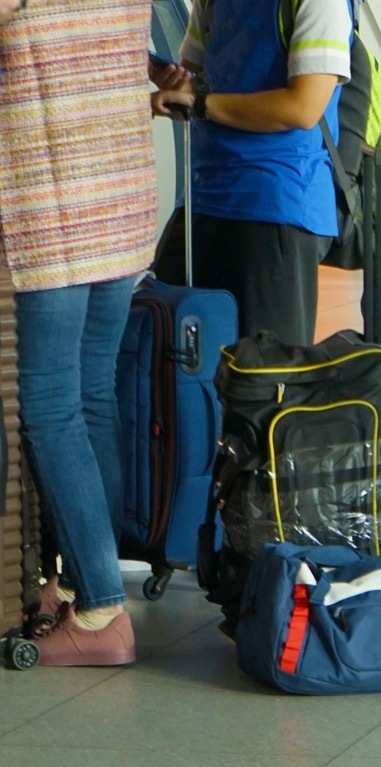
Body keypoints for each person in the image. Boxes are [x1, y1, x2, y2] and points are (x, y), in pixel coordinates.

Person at [0, 0, 157, 665]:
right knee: (92, 395)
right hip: (121, 198)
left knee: (49, 407)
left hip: (56, 204)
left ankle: (99, 610)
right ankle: (88, 584)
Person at [149, 0, 352, 347]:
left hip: (275, 203)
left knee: (263, 381)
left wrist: (199, 103)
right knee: (166, 358)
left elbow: (302, 107)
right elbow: (196, 76)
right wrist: (179, 86)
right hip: (204, 195)